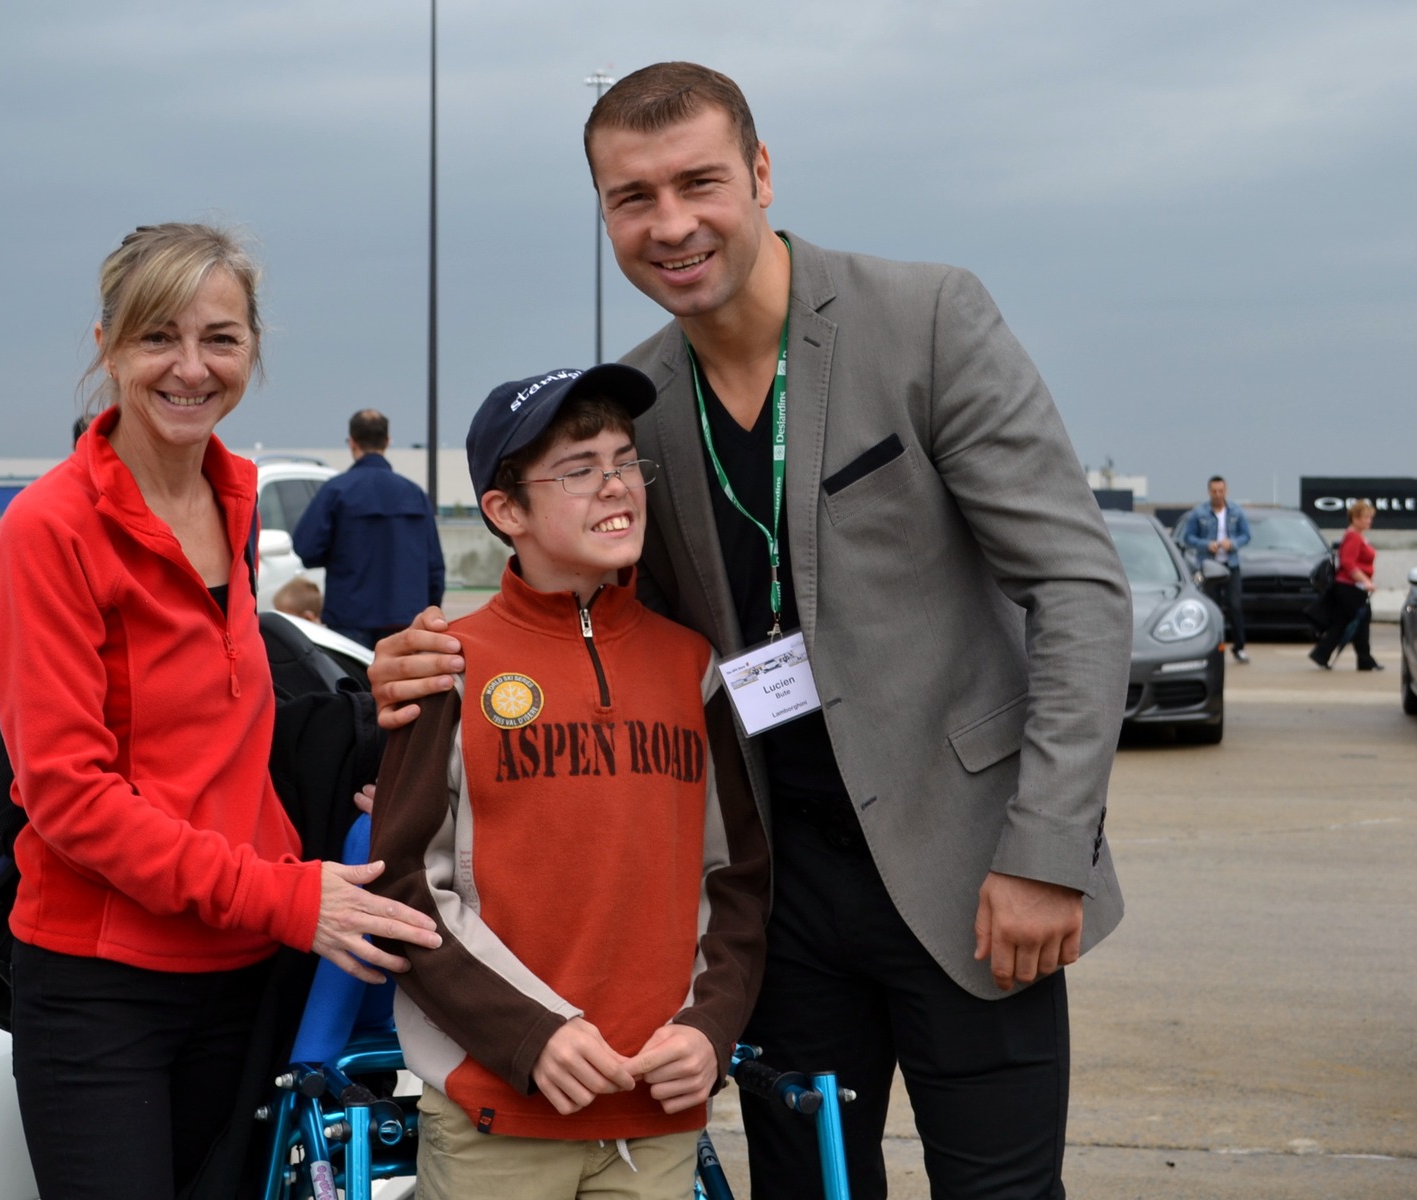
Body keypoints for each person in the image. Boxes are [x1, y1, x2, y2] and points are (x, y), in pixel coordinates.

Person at [370, 62, 1133, 1199]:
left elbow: (1076, 585)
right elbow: (602, 626)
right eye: (633, 198)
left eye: (699, 183)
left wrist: (1044, 850)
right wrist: (418, 659)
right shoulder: (634, 401)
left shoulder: (925, 320)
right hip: (776, 900)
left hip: (971, 868)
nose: (670, 225)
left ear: (763, 174)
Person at [0, 223, 440, 1199]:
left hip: (244, 972)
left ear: (254, 349)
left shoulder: (233, 497)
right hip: (106, 996)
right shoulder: (46, 532)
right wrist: (289, 896)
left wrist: (366, 729)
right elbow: (68, 798)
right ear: (106, 346)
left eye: (220, 339)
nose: (191, 368)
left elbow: (223, 733)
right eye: (158, 338)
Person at [369, 365, 769, 1200]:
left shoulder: (693, 667)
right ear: (505, 511)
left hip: (652, 1116)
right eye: (578, 469)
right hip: (496, 1118)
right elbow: (408, 893)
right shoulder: (446, 667)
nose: (616, 485)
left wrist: (710, 1030)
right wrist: (530, 1036)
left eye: (626, 460)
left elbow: (735, 882)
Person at [290, 408, 445, 648]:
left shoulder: (336, 491)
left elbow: (306, 548)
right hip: (406, 619)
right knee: (400, 686)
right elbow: (434, 566)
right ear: (387, 441)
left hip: (349, 617)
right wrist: (428, 609)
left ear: (352, 442)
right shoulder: (414, 494)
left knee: (351, 685)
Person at [1178, 476, 1251, 663]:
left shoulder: (1235, 511)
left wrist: (1232, 543)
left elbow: (1247, 535)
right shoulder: (1199, 513)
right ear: (1209, 492)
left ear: (1226, 491)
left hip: (1230, 566)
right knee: (1211, 607)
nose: (1218, 495)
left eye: (1221, 491)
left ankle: (1239, 647)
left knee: (1234, 606)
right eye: (1214, 491)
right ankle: (1211, 648)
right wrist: (1206, 544)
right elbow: (1188, 538)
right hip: (1209, 568)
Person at [1309, 500, 1382, 671]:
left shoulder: (1357, 537)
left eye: (1370, 518)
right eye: (1365, 517)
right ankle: (1364, 660)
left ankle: (1322, 654)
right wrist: (1365, 581)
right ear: (1355, 518)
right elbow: (1348, 563)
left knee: (1343, 622)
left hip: (1351, 587)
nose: (1369, 521)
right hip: (1350, 587)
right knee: (1361, 620)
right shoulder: (1353, 537)